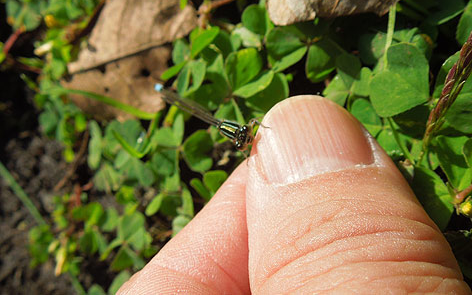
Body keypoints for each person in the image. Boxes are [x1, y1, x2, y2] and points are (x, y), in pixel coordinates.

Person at [118, 96, 471, 294]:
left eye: (245, 135)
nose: (245, 137)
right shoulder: (234, 138)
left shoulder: (249, 126)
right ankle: (161, 91)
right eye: (241, 139)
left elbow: (255, 124)